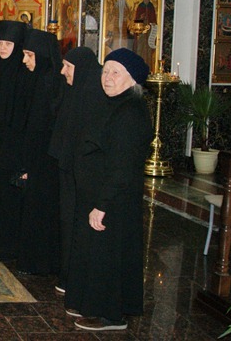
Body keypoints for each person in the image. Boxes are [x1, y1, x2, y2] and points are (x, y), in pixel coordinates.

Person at [66, 47, 152, 332]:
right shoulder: (114, 104)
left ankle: (110, 315)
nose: (108, 77)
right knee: (96, 253)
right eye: (106, 71)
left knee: (108, 256)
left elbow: (122, 166)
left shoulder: (130, 113)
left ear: (132, 79)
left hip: (113, 199)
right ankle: (94, 304)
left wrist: (102, 205)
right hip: (99, 194)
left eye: (116, 73)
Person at [48, 46, 105, 296]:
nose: (63, 72)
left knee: (78, 224)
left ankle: (76, 278)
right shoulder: (72, 93)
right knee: (67, 221)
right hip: (68, 170)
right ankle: (66, 273)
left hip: (84, 176)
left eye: (68, 67)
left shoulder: (94, 98)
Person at [0, 20, 30, 260]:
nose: (2, 48)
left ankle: (7, 247)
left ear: (18, 46)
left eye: (8, 44)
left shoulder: (23, 77)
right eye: (0, 43)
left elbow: (22, 118)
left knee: (9, 199)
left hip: (13, 149)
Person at [17, 29, 63, 275]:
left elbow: (45, 127)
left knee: (43, 211)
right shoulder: (35, 79)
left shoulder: (51, 83)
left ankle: (42, 262)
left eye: (29, 55)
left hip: (47, 160)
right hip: (35, 158)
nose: (25, 60)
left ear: (43, 55)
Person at [133, 0, 156, 66]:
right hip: (141, 30)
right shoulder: (140, 6)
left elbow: (154, 19)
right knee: (140, 46)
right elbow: (137, 20)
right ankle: (139, 64)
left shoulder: (151, 6)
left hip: (149, 30)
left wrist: (152, 24)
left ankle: (148, 65)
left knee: (148, 48)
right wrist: (141, 18)